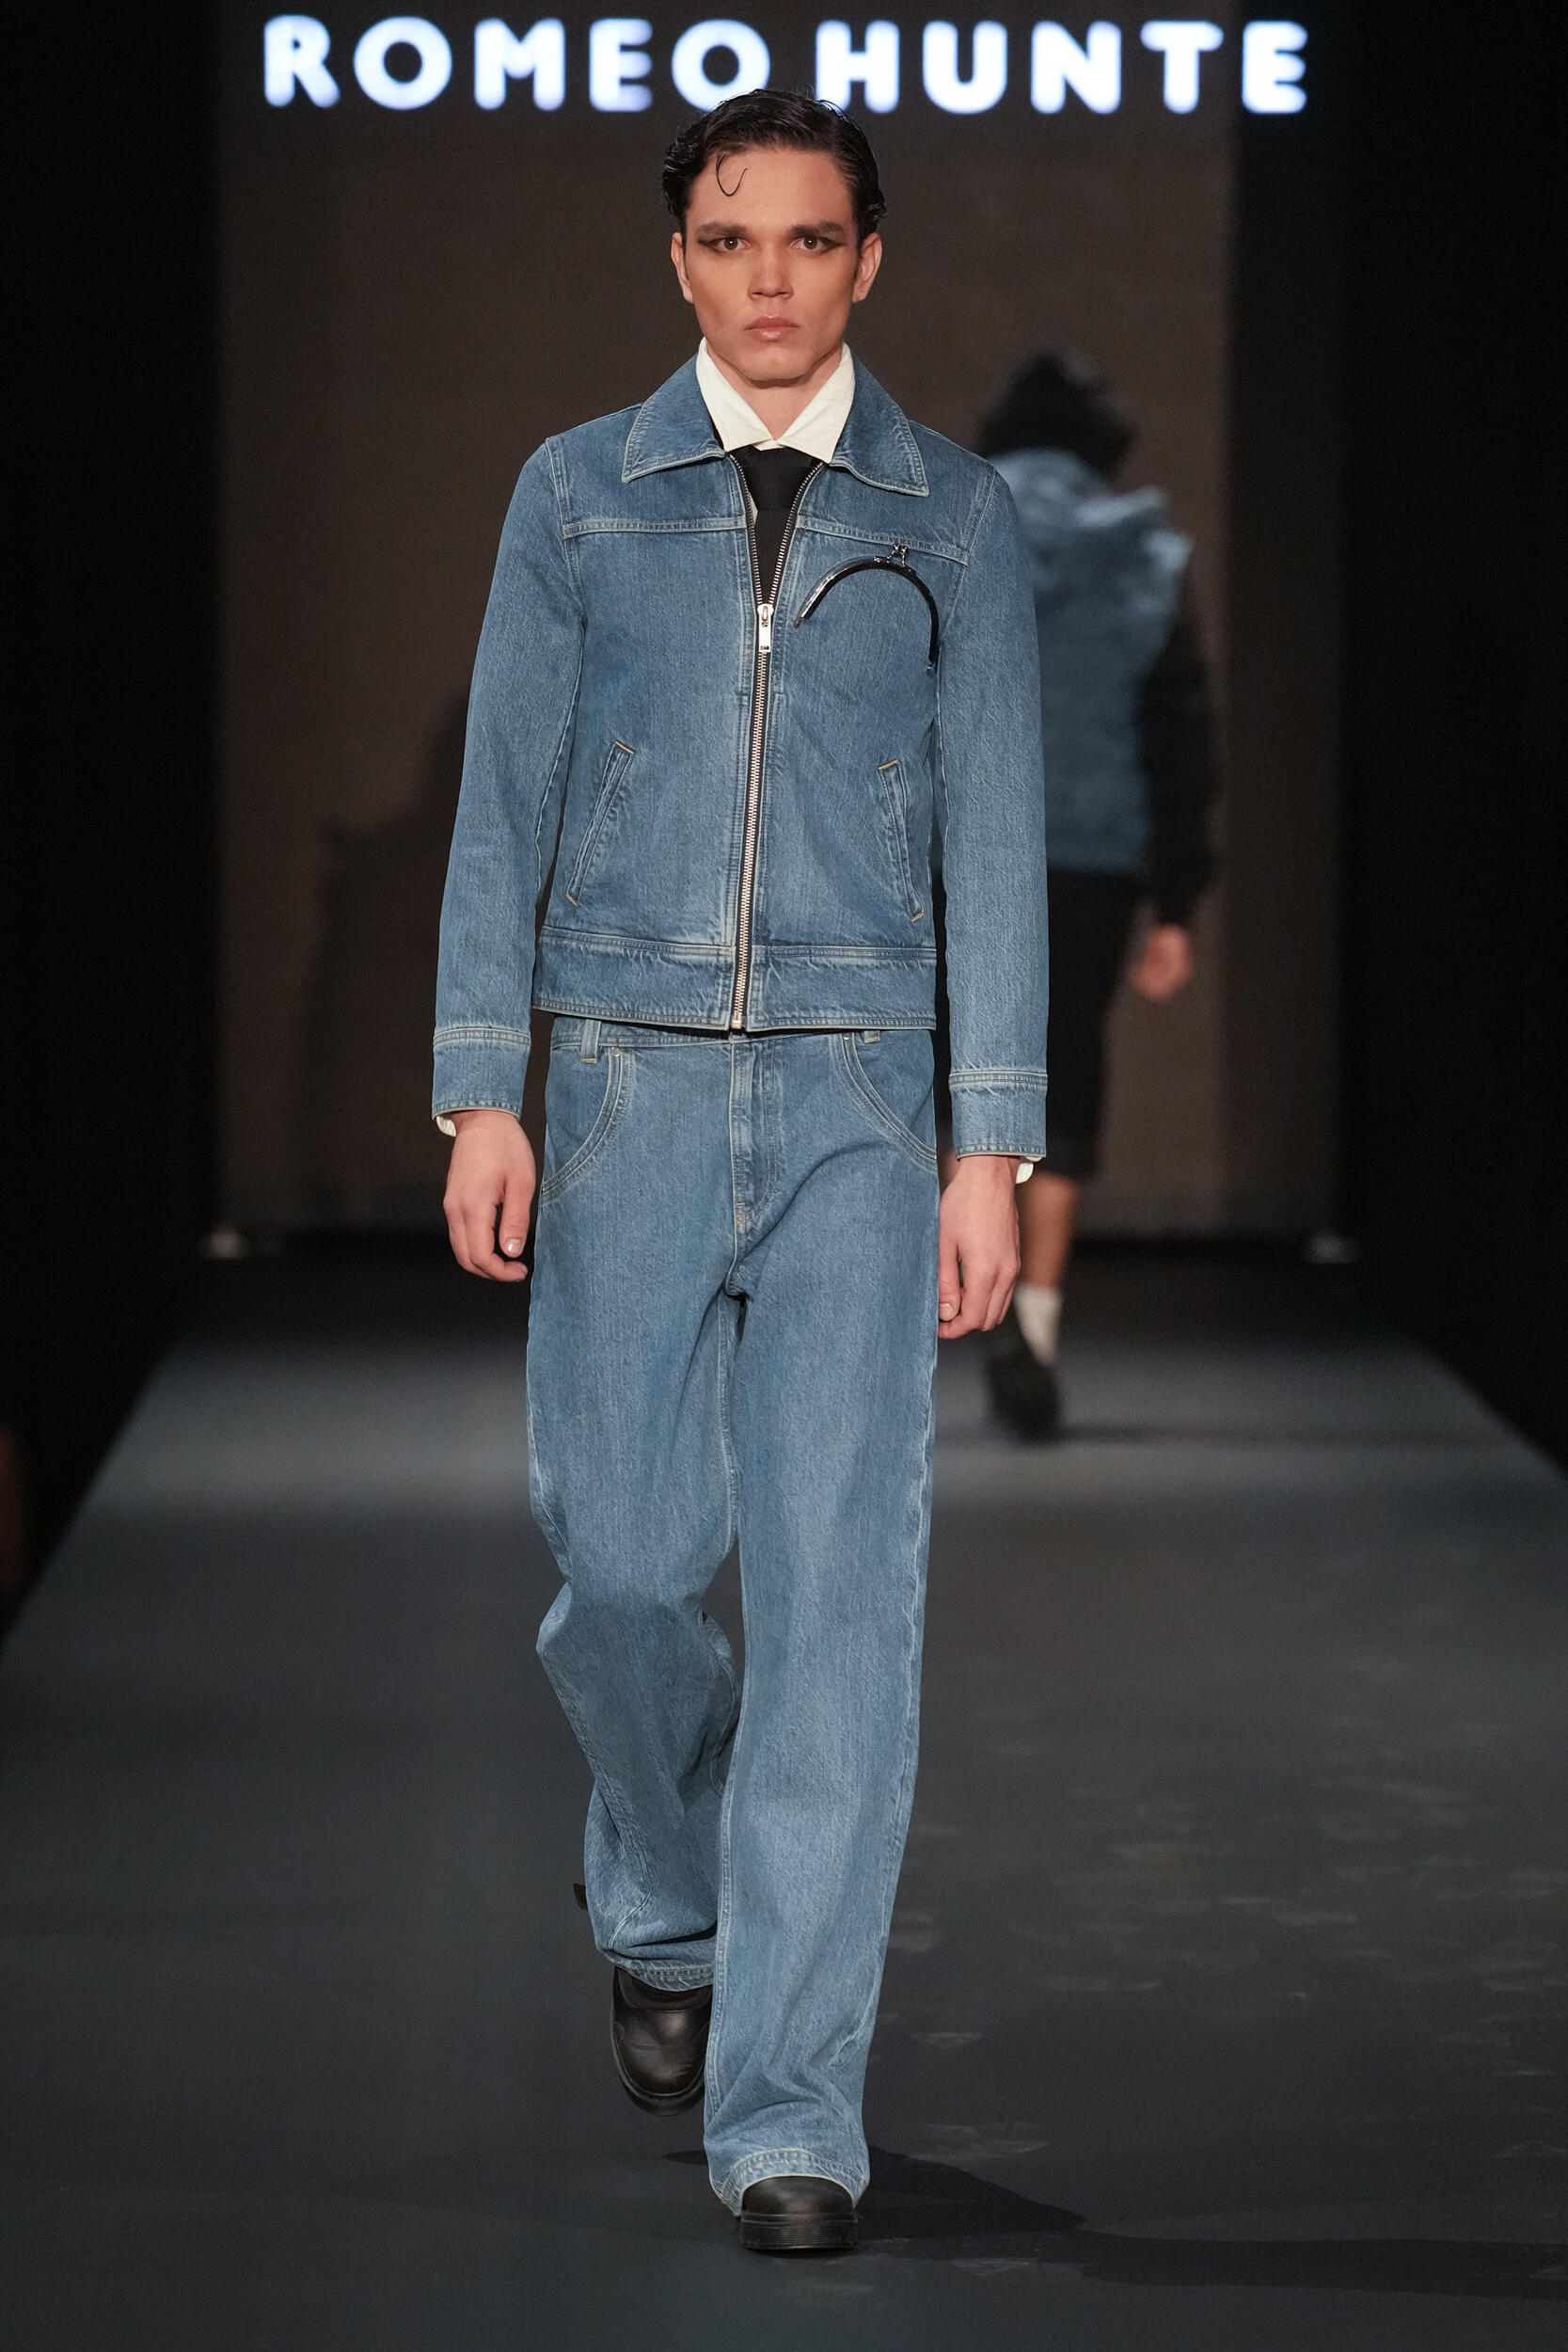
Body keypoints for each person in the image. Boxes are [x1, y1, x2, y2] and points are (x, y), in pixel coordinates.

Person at [432, 94, 1048, 2255]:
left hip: (865, 1108)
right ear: (675, 256)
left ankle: (788, 2110)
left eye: (805, 237)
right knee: (619, 1562)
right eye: (726, 236)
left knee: (837, 1616)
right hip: (620, 1084)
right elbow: (504, 792)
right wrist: (480, 1085)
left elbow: (995, 830)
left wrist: (993, 1141)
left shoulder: (952, 512)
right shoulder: (577, 494)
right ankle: (668, 1892)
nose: (767, 276)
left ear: (867, 258)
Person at [974, 353, 1217, 1438]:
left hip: (954, 850)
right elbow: (1178, 739)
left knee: (944, 1072)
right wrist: (1174, 905)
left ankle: (952, 1296)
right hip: (1090, 858)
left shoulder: (947, 539)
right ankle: (1030, 1322)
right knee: (1062, 1073)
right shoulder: (1142, 562)